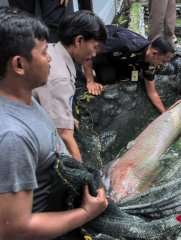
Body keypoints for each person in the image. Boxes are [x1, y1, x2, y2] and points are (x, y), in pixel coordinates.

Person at [0, 7, 107, 239]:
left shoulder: (27, 99)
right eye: (43, 52)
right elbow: (13, 229)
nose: (50, 58)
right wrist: (86, 212)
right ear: (19, 65)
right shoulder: (12, 137)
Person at [33, 10, 107, 161]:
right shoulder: (60, 78)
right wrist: (83, 173)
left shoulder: (53, 49)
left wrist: (65, 116)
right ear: (79, 41)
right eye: (94, 46)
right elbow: (63, 134)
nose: (94, 54)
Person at [83, 25, 175, 113]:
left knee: (133, 78)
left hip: (122, 59)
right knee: (108, 78)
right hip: (103, 52)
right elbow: (88, 51)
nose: (162, 65)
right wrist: (90, 82)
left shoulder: (149, 60)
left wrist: (164, 113)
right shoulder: (124, 43)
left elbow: (152, 92)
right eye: (163, 61)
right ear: (154, 54)